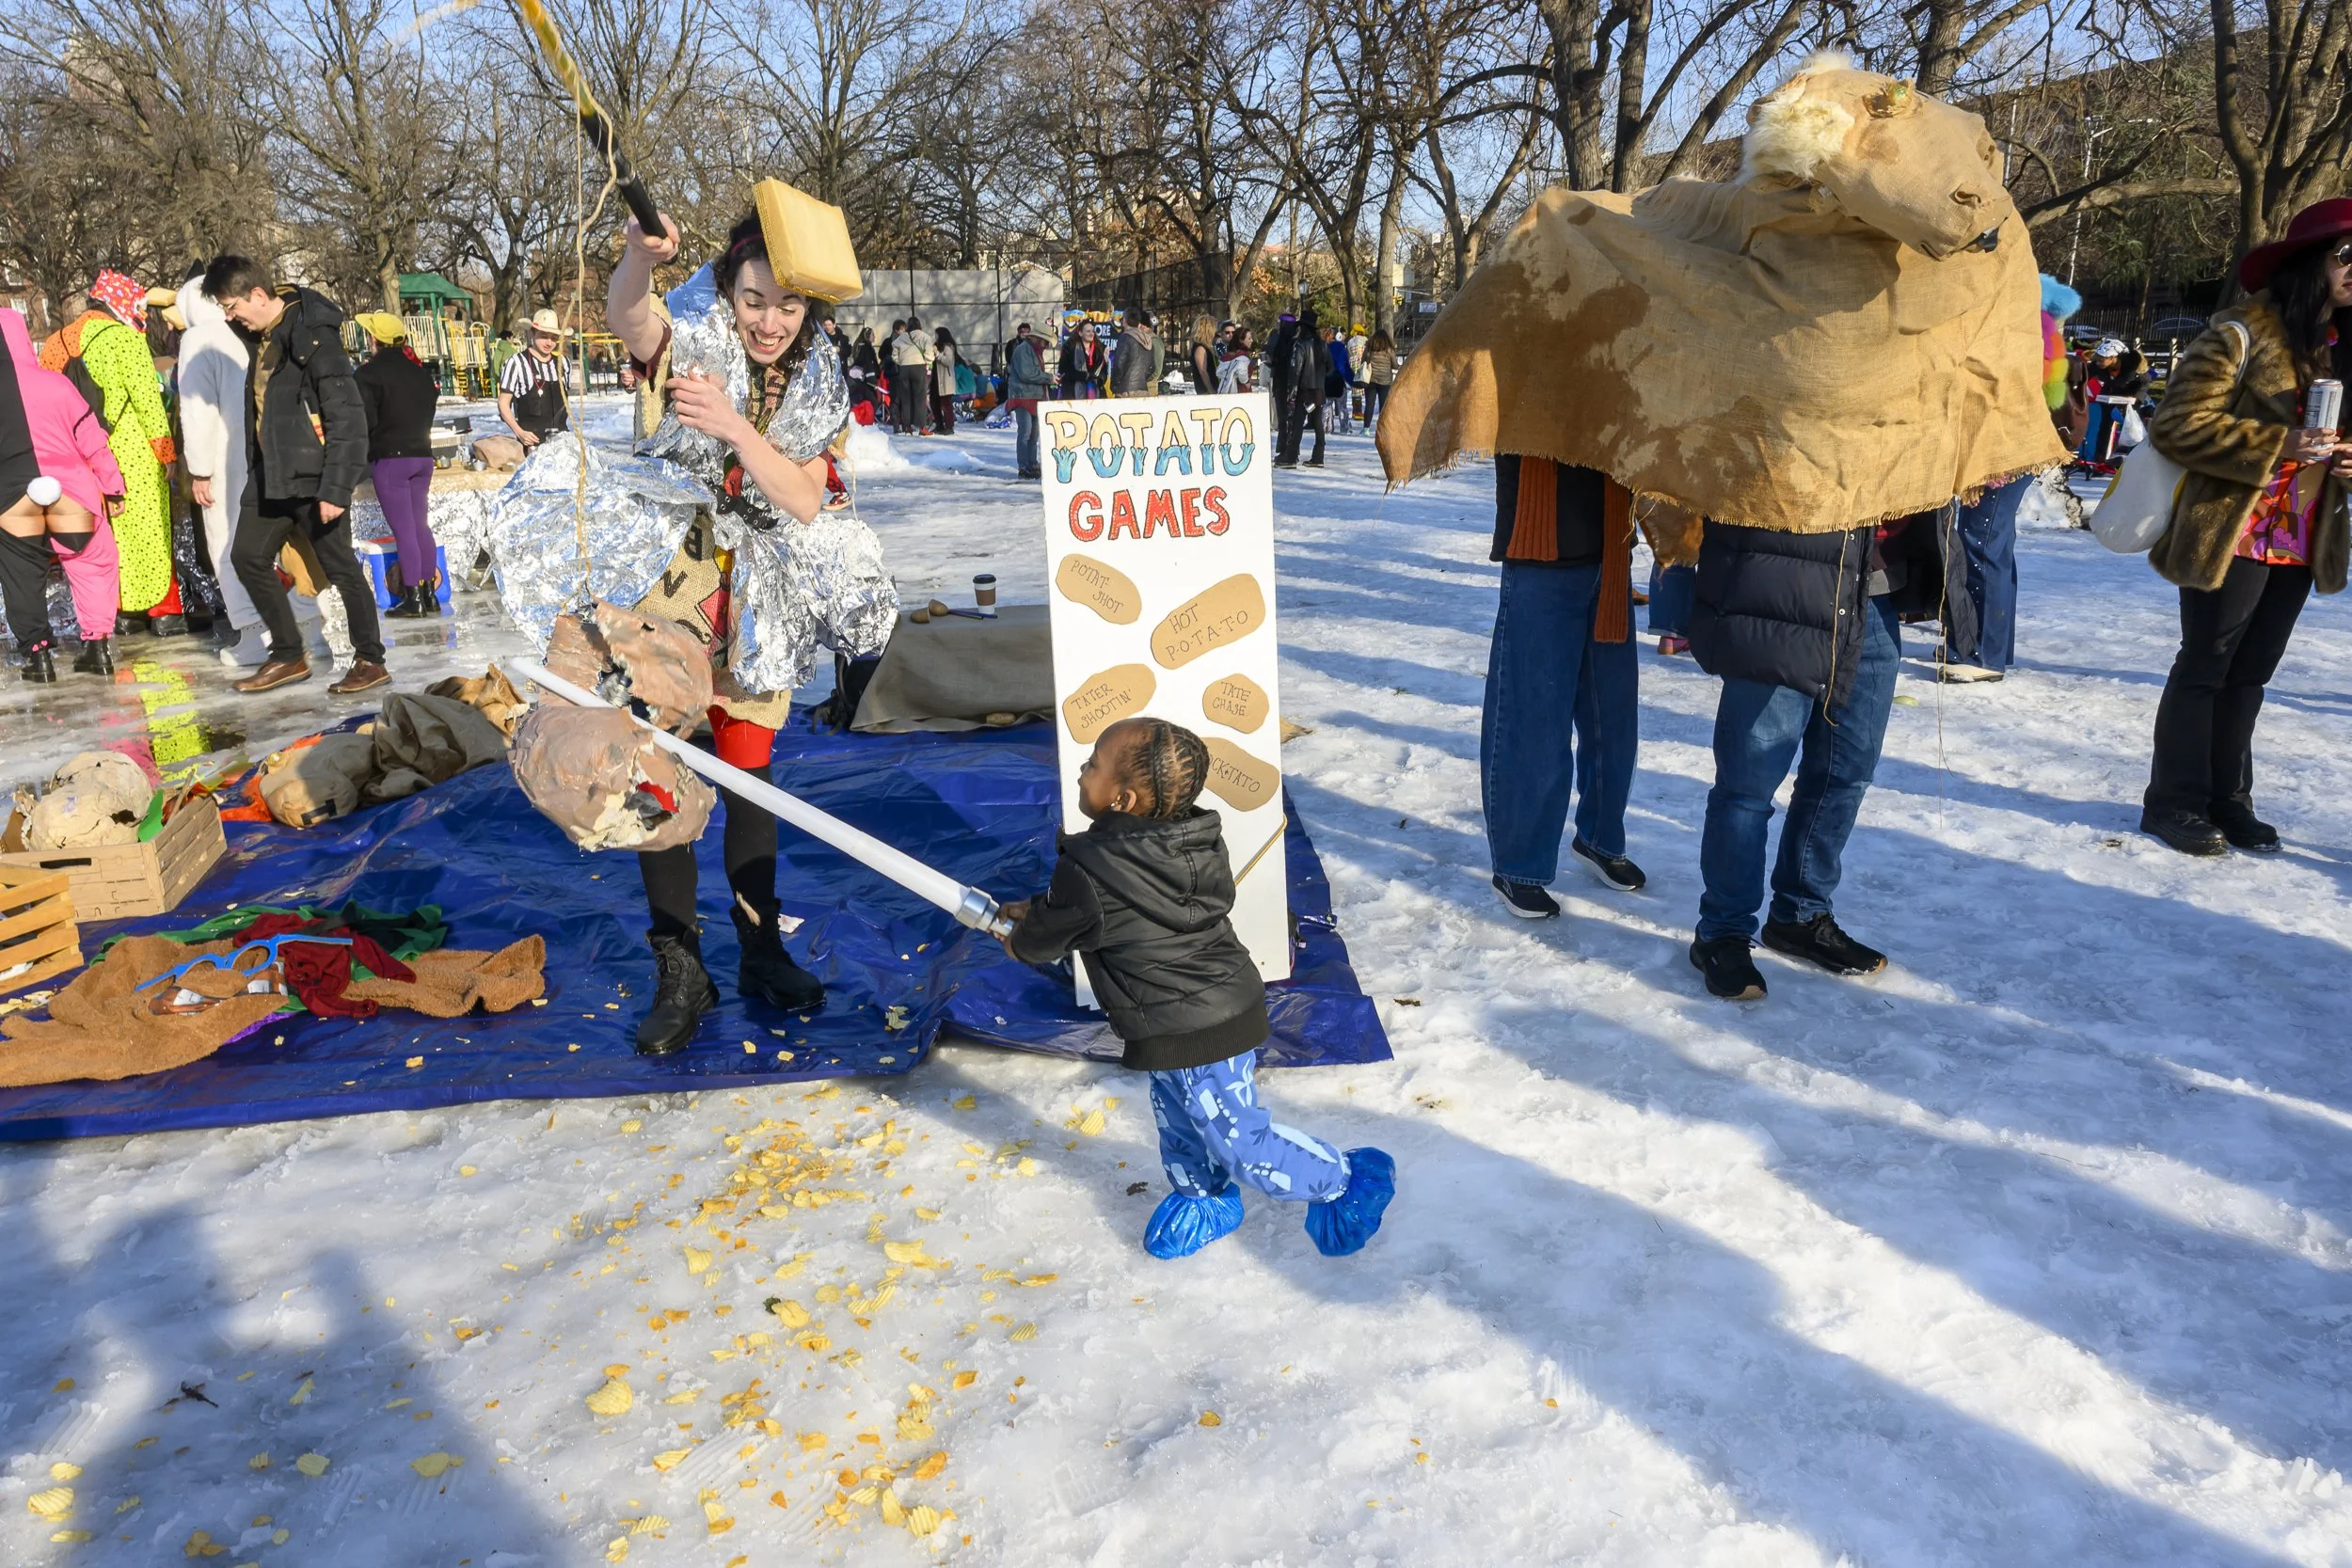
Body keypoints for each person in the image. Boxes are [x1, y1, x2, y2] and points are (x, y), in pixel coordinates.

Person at [600, 204, 898, 1053]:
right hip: (672, 594)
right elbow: (630, 316)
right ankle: (680, 970)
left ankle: (761, 948)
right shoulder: (690, 344)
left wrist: (733, 424)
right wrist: (637, 256)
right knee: (659, 781)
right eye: (753, 300)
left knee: (749, 779)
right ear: (727, 289)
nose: (769, 322)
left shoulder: (815, 379)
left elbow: (802, 496)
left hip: (759, 605)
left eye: (788, 305)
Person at [998, 716, 1396, 1260]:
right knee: (1180, 1118)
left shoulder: (1089, 869)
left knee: (1240, 1142)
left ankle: (1343, 1180)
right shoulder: (1191, 840)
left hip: (1198, 1027)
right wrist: (1040, 912)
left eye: (1093, 765)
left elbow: (1048, 939)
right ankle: (1203, 1198)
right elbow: (1090, 912)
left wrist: (1019, 939)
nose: (1083, 772)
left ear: (1122, 799)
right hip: (1204, 1006)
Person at [2138, 198, 2352, 857]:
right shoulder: (2240, 333)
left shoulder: (2346, 346)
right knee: (2206, 665)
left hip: (2302, 534)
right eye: (2347, 256)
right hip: (2231, 528)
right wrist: (2276, 444)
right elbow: (2176, 424)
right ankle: (2173, 802)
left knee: (2251, 674)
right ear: (2308, 263)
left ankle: (2230, 799)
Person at [1684, 506, 1959, 1000]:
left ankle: (1800, 914)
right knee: (1748, 786)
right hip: (1782, 589)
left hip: (1873, 599)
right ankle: (1722, 932)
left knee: (1845, 774)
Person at [200, 255, 388, 696]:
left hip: (313, 476)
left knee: (340, 567)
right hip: (271, 475)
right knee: (246, 556)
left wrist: (336, 488)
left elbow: (347, 416)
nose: (230, 317)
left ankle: (370, 659)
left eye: (232, 307)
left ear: (257, 295)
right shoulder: (261, 337)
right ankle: (288, 654)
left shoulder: (313, 336)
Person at [1481, 457, 1645, 920]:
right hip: (1540, 547)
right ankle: (1519, 866)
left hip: (1611, 547)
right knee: (1533, 716)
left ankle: (1600, 839)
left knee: (1612, 716)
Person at [42, 269, 180, 636]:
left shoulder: (55, 343)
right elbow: (148, 404)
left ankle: (118, 613)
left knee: (105, 537)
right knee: (149, 531)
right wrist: (166, 454)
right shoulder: (126, 339)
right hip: (131, 451)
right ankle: (162, 612)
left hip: (79, 456)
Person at [0, 307, 123, 679]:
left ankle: (38, 657)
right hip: (71, 493)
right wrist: (113, 487)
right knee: (92, 562)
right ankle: (97, 647)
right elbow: (93, 440)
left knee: (21, 575)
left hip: (13, 499)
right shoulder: (56, 384)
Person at [175, 267, 268, 669]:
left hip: (222, 459)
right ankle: (300, 623)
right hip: (257, 451)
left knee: (226, 542)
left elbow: (196, 411)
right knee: (263, 542)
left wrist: (198, 470)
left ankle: (251, 631)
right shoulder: (244, 334)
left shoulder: (197, 340)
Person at [352, 311, 442, 618]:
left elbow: (364, 421)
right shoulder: (420, 373)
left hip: (391, 459)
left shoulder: (368, 374)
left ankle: (413, 598)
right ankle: (430, 595)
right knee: (420, 525)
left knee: (404, 530)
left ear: (374, 339)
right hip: (423, 456)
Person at [497, 309, 571, 449]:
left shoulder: (564, 363)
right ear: (532, 333)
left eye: (554, 338)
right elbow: (503, 403)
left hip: (562, 442)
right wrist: (519, 432)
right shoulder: (516, 363)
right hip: (531, 443)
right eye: (544, 336)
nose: (549, 342)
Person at [1277, 306, 1328, 467]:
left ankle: (1291, 457)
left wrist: (1292, 390)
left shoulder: (1300, 345)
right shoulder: (1322, 345)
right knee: (1318, 424)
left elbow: (1296, 370)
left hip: (1304, 391)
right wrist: (1320, 378)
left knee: (1297, 424)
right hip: (1318, 390)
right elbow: (1330, 367)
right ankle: (1318, 456)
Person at [1006, 322, 1050, 478]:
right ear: (1038, 338)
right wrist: (1049, 378)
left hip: (1035, 396)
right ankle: (1023, 466)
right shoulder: (1023, 350)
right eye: (1045, 342)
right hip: (1022, 395)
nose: (1046, 345)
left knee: (1034, 434)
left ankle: (1032, 463)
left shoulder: (1035, 351)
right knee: (1025, 432)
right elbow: (1027, 374)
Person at [887, 315, 933, 435]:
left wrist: (901, 362)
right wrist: (927, 363)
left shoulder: (902, 337)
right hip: (919, 368)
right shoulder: (925, 337)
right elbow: (930, 354)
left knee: (906, 399)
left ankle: (907, 427)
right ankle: (922, 427)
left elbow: (894, 354)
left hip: (904, 369)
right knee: (920, 398)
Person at [1109, 308, 1157, 396]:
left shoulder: (1125, 338)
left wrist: (1114, 385)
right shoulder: (1148, 339)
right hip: (1143, 390)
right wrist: (1142, 380)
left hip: (1125, 392)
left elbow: (1119, 365)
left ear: (1124, 321)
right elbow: (1152, 368)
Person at [1059, 320, 1106, 399]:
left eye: (1093, 331)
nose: (1091, 334)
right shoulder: (1069, 348)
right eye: (1088, 331)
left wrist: (1099, 380)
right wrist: (1084, 376)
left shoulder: (1100, 349)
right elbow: (1063, 370)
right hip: (1073, 393)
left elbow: (1104, 372)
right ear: (1080, 333)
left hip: (1096, 392)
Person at [1359, 329, 1396, 428]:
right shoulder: (1389, 350)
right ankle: (1382, 428)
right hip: (1385, 381)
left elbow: (1363, 361)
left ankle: (1366, 428)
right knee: (1383, 407)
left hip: (1371, 380)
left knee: (1369, 405)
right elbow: (1395, 365)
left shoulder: (1369, 349)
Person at [1324, 323, 1354, 433]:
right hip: (1339, 381)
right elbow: (1344, 367)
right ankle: (1344, 427)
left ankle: (1326, 427)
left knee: (1327, 405)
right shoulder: (1341, 349)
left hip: (1327, 380)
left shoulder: (1325, 348)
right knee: (1342, 406)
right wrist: (1351, 380)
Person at [930, 325, 959, 434]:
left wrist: (938, 354)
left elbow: (948, 361)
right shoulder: (936, 346)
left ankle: (949, 427)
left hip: (945, 379)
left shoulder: (948, 347)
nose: (935, 337)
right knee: (934, 402)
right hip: (935, 379)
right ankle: (939, 424)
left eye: (936, 335)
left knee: (946, 404)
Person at [1185, 314, 1217, 395]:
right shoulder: (1200, 348)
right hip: (1205, 391)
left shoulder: (1204, 347)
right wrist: (1211, 391)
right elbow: (1203, 371)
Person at [1216, 325, 1255, 393]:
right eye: (1249, 338)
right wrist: (1246, 382)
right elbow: (1241, 370)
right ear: (1241, 340)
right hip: (1242, 392)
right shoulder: (1243, 355)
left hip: (1227, 391)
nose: (1252, 340)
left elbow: (1219, 372)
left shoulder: (1225, 356)